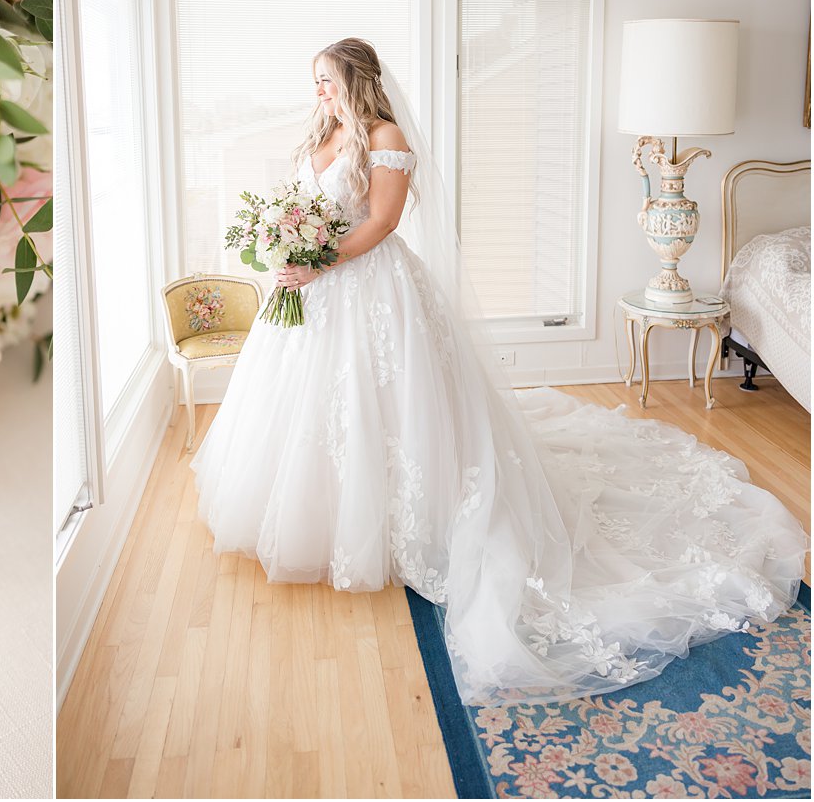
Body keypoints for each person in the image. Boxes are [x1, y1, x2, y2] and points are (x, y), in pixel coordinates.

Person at [190, 36, 808, 706]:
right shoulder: (326, 130)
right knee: (318, 411)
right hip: (316, 291)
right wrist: (290, 244)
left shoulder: (385, 133)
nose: (320, 92)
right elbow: (309, 205)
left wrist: (319, 261)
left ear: (356, 79)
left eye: (328, 80)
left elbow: (385, 221)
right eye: (315, 81)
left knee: (392, 407)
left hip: (368, 284)